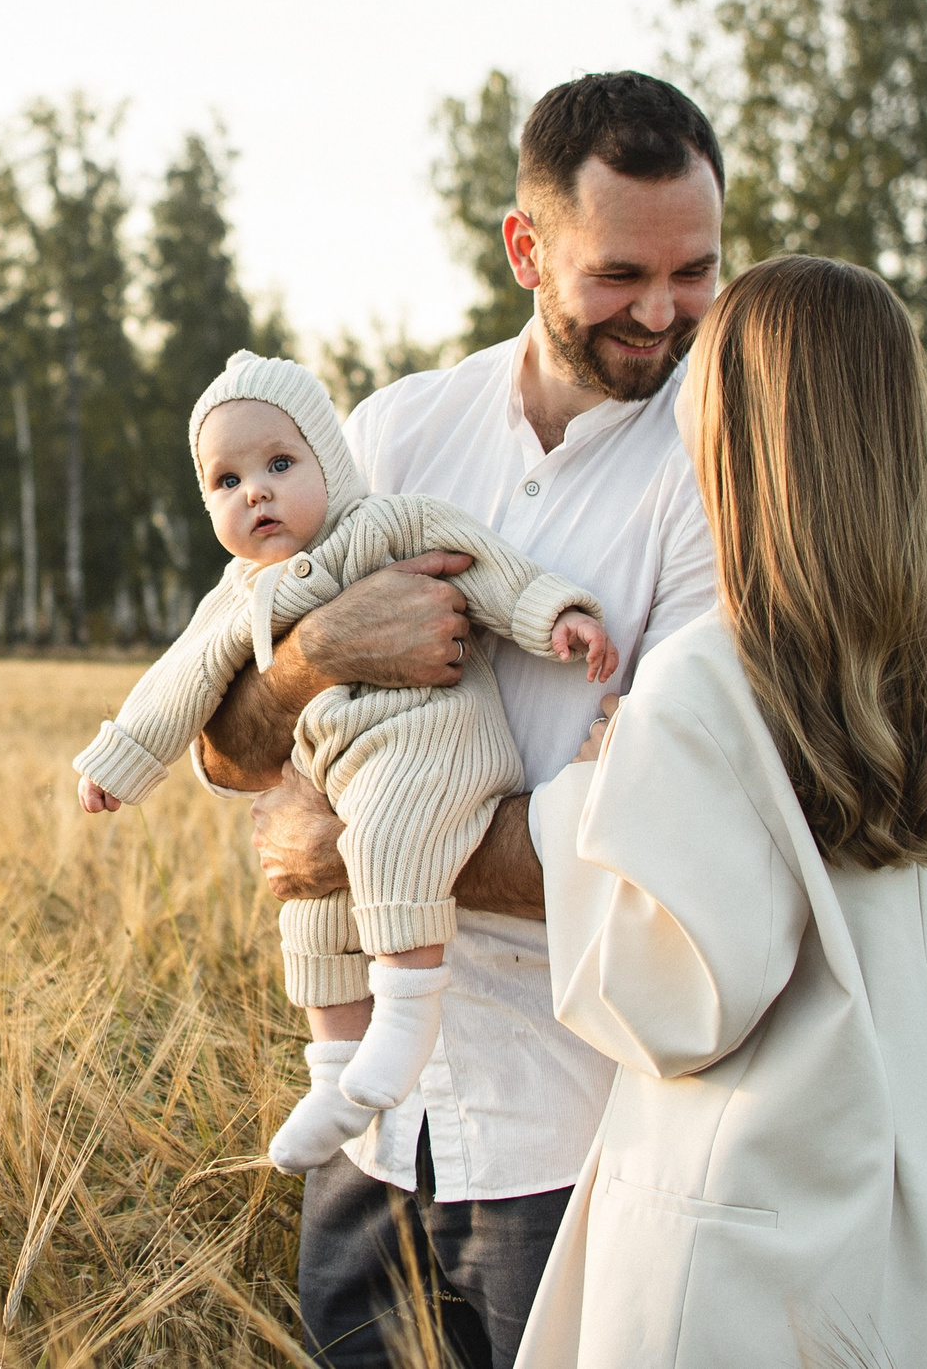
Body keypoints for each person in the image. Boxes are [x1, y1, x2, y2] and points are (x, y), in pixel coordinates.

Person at [198, 72, 723, 1367]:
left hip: (577, 1139)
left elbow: (672, 843)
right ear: (526, 247)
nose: (663, 313)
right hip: (370, 1125)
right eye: (620, 273)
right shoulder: (388, 430)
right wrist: (315, 653)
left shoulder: (721, 477)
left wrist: (356, 846)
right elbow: (221, 744)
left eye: (696, 270)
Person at [516, 254, 927, 1368]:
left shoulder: (703, 677)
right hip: (900, 1226)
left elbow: (667, 1005)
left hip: (732, 1257)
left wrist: (579, 797)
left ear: (734, 435)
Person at [72, 351, 616, 1174]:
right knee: (312, 905)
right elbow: (178, 682)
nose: (255, 491)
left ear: (330, 460)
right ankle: (333, 1071)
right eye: (226, 481)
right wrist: (121, 759)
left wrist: (557, 615)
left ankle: (402, 1028)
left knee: (384, 840)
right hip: (338, 769)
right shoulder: (237, 596)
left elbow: (496, 570)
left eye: (280, 465)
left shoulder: (389, 524)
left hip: (435, 744)